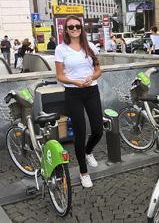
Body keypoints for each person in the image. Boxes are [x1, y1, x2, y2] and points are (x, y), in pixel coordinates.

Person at [55, 15, 103, 188]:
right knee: (80, 132)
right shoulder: (61, 49)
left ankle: (88, 151)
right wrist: (74, 82)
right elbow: (60, 76)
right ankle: (84, 172)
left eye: (77, 26)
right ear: (66, 30)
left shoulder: (90, 47)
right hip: (73, 93)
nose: (74, 29)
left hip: (92, 90)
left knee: (98, 129)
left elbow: (98, 70)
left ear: (81, 28)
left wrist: (91, 77)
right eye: (70, 27)